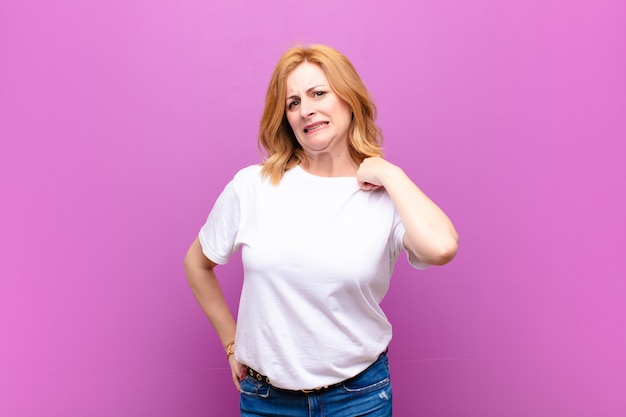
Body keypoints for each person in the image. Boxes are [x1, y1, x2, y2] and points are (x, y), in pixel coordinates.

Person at [184, 44, 458, 417]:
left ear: (348, 98)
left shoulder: (385, 194)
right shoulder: (253, 186)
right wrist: (232, 343)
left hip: (359, 398)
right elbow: (196, 264)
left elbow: (441, 247)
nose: (306, 110)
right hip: (267, 402)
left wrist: (389, 173)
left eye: (318, 93)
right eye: (293, 102)